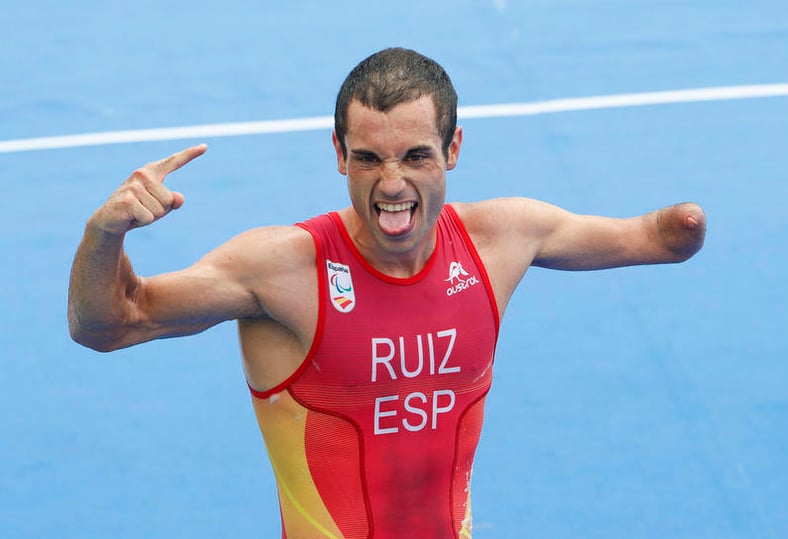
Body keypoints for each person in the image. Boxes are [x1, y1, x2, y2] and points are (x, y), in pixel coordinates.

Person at [68, 47, 706, 538]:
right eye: (369, 158)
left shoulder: (500, 240)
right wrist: (106, 233)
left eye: (415, 156)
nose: (392, 183)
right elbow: (110, 323)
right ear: (339, 154)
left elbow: (654, 237)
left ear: (453, 149)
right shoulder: (281, 269)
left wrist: (684, 227)